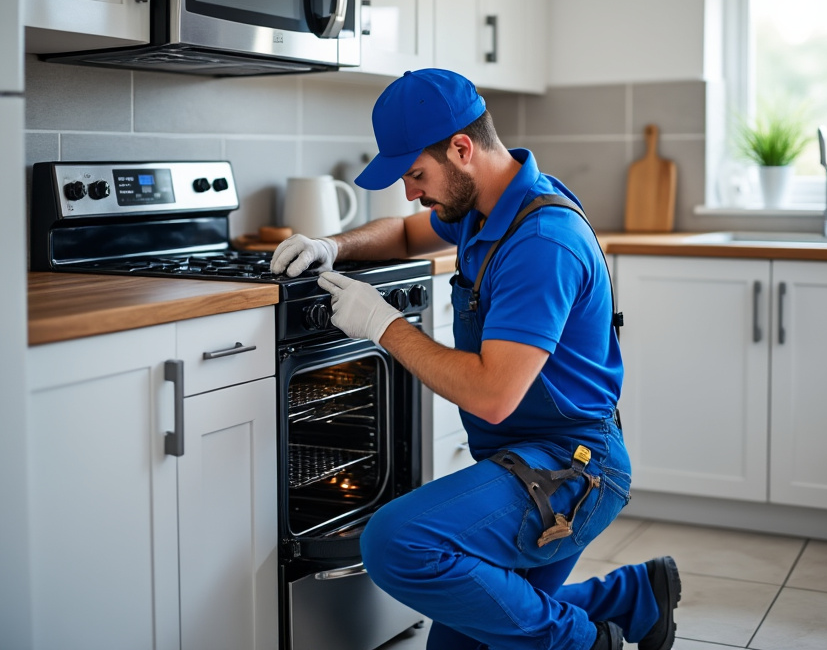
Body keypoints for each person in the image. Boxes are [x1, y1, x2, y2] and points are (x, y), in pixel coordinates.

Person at [271, 69, 681, 650]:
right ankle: (632, 599)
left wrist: (383, 324)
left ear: (462, 150)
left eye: (416, 173)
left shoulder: (540, 241)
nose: (411, 190)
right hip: (525, 463)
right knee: (470, 633)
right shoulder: (487, 207)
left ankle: (584, 643)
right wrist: (331, 245)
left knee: (397, 542)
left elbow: (494, 394)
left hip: (569, 471)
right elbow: (409, 235)